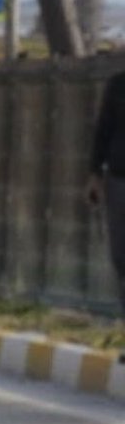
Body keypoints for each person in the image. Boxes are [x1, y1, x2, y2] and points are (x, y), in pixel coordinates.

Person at [87, 65, 125, 314]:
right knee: (121, 258)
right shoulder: (118, 85)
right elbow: (104, 130)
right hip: (119, 181)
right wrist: (94, 174)